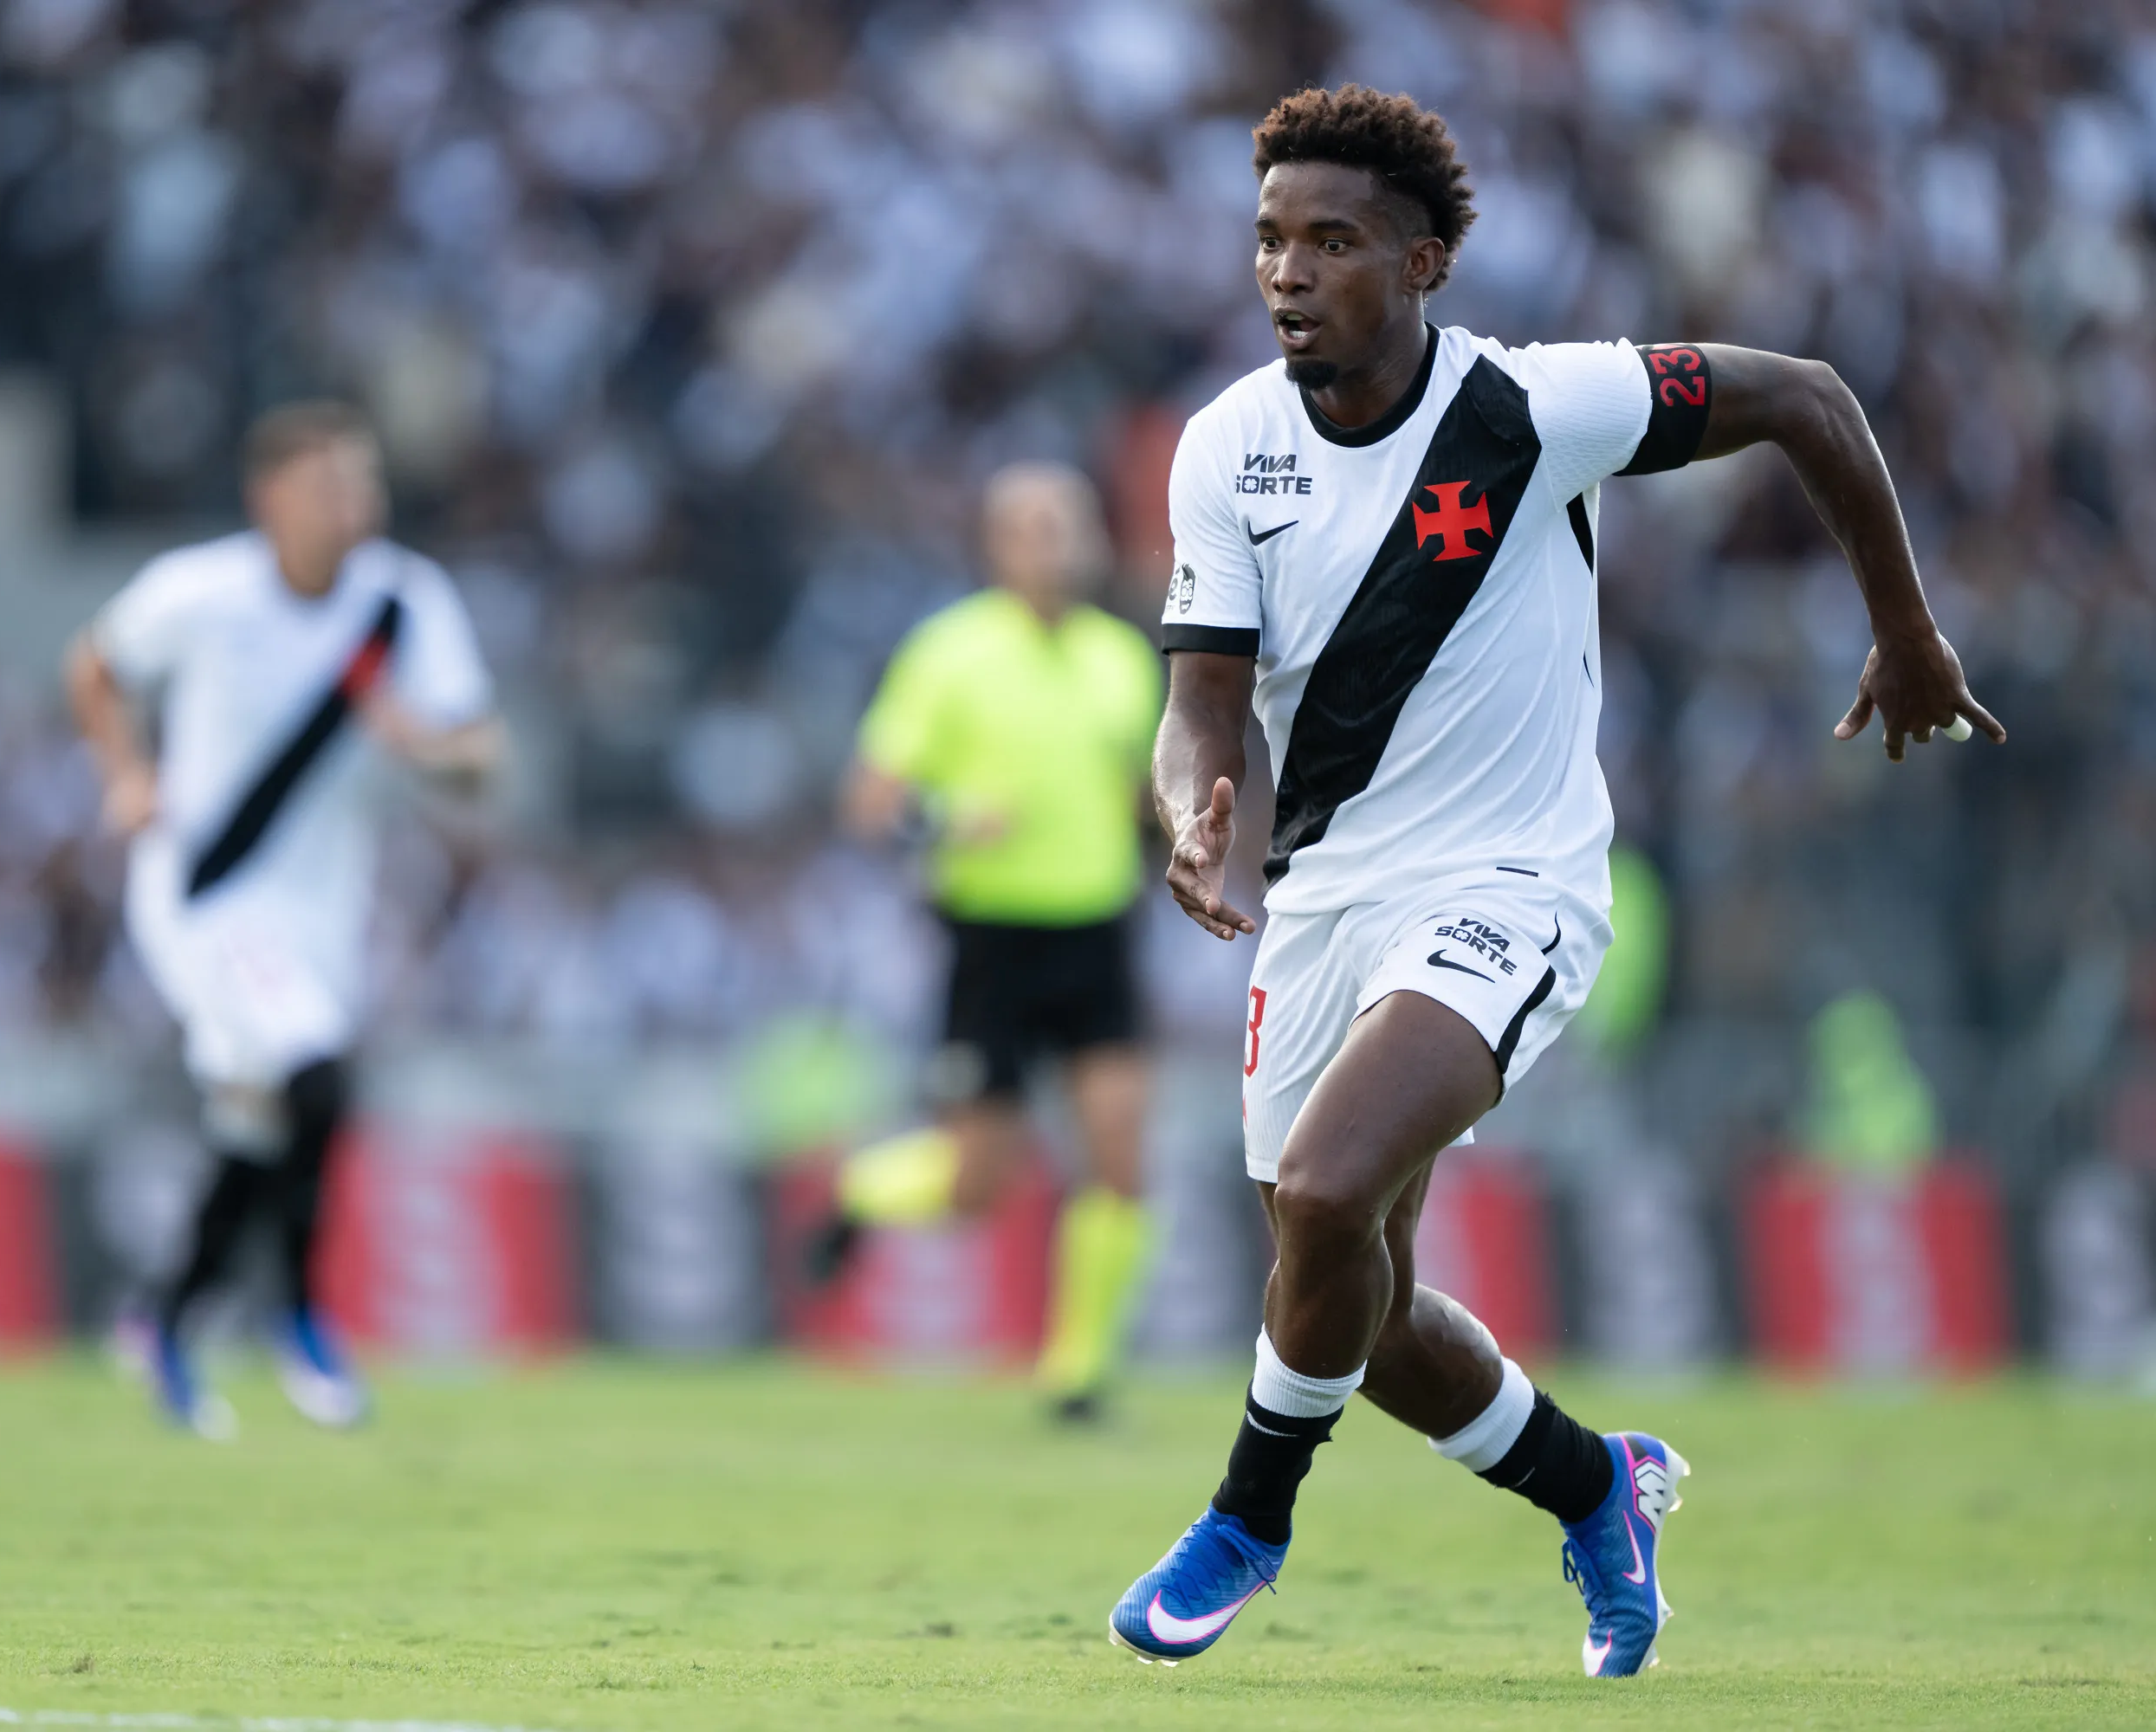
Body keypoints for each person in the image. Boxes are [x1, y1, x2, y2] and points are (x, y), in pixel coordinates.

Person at [1109, 86, 2002, 1676]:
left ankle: (1247, 1516)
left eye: (1333, 241)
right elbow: (1196, 712)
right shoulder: (1227, 450)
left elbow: (1804, 394)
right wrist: (1189, 808)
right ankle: (1603, 1491)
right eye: (1269, 241)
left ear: (1426, 260)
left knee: (1320, 1200)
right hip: (1326, 900)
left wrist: (1907, 627)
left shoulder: (1537, 407)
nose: (1290, 273)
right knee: (1358, 1315)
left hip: (1511, 882)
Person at [64, 402, 502, 1438]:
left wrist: (424, 748)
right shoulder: (203, 592)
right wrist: (127, 774)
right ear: (272, 499)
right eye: (332, 484)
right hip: (208, 890)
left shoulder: (404, 601)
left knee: (258, 1125)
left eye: (365, 483)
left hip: (323, 910)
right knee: (315, 1069)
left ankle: (166, 1319)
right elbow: (94, 665)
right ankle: (302, 1315)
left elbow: (483, 754)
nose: (357, 504)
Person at [809, 462, 1165, 1422]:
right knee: (978, 1181)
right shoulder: (948, 653)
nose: (1060, 543)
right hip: (991, 939)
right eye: (1037, 526)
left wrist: (1185, 838)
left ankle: (1077, 1373)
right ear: (998, 545)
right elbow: (869, 803)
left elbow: (1143, 795)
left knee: (1122, 1146)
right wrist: (943, 816)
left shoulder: (1122, 660)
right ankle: (863, 1189)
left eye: (1072, 524)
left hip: (1095, 930)